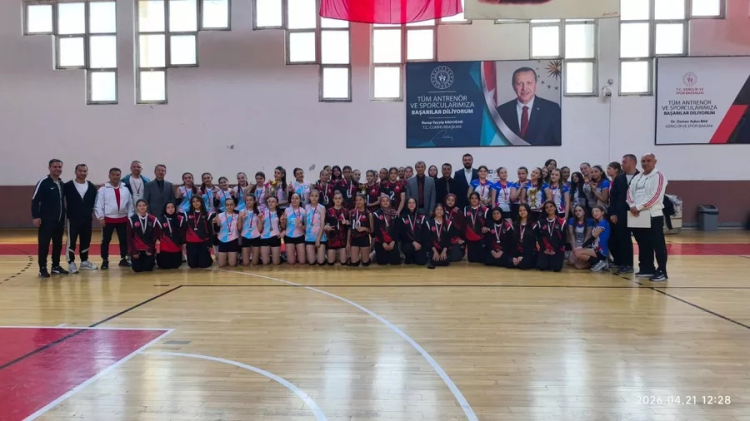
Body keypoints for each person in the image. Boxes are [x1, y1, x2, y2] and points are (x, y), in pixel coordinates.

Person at [627, 153, 669, 281]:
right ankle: (647, 268)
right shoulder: (637, 177)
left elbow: (656, 196)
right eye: (643, 161)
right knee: (643, 243)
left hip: (653, 215)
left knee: (658, 244)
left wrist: (639, 207)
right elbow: (629, 193)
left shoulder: (659, 176)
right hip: (638, 215)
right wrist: (632, 205)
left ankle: (662, 271)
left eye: (648, 160)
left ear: (655, 162)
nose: (645, 163)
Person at [496, 67, 562, 146]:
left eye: (529, 83)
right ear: (513, 86)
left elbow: (559, 145)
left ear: (535, 85)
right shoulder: (501, 112)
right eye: (519, 83)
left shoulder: (552, 110)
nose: (524, 88)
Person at [32, 159, 67, 277]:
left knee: (58, 244)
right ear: (49, 168)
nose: (57, 169)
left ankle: (55, 266)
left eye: (59, 167)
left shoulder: (61, 183)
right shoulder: (43, 182)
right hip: (46, 221)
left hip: (59, 221)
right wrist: (36, 216)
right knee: (44, 244)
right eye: (55, 167)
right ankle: (42, 268)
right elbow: (35, 200)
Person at [95, 167, 134, 270]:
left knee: (124, 240)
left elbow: (130, 204)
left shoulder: (125, 189)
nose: (115, 177)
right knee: (106, 240)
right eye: (113, 175)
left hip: (123, 219)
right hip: (108, 219)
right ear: (109, 176)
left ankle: (123, 258)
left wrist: (130, 218)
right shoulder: (103, 189)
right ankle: (105, 260)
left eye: (117, 175)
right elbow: (99, 204)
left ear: (120, 176)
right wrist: (100, 217)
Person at [63, 164, 98, 273]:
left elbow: (95, 203)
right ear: (75, 172)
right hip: (72, 219)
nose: (82, 173)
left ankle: (84, 261)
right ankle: (71, 263)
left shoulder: (92, 187)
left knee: (86, 240)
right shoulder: (68, 186)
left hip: (87, 219)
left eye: (84, 171)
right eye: (80, 171)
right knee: (71, 241)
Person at [609, 154, 639, 274]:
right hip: (621, 212)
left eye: (624, 162)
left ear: (633, 163)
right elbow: (613, 196)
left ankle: (643, 265)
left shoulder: (641, 176)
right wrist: (613, 213)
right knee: (622, 238)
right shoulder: (619, 177)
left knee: (641, 239)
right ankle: (623, 262)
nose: (622, 164)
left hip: (637, 212)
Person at [573, 205, 611, 273]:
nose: (594, 213)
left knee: (577, 252)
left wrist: (582, 246)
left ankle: (601, 262)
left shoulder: (603, 223)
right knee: (578, 266)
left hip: (600, 251)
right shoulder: (597, 223)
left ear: (602, 212)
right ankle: (599, 263)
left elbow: (593, 238)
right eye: (593, 212)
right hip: (595, 249)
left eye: (597, 211)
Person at [127, 199, 160, 273]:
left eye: (144, 205)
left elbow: (154, 237)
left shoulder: (153, 219)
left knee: (148, 268)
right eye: (139, 206)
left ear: (147, 206)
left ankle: (152, 259)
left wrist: (151, 249)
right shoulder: (131, 220)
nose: (142, 207)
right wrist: (134, 251)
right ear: (136, 207)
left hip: (148, 249)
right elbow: (129, 237)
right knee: (137, 269)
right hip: (137, 249)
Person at [183, 195, 214, 269]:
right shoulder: (187, 214)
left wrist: (210, 244)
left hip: (203, 242)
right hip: (191, 243)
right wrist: (184, 242)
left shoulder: (207, 215)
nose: (196, 203)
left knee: (204, 265)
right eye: (193, 201)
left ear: (201, 202)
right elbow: (184, 230)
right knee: (192, 265)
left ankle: (208, 258)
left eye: (197, 201)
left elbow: (210, 230)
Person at [536, 200, 566, 272]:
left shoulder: (562, 222)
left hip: (557, 250)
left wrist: (555, 250)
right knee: (541, 266)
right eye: (547, 207)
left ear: (555, 208)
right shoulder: (541, 222)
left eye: (551, 206)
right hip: (545, 250)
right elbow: (539, 238)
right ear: (545, 210)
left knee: (556, 268)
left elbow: (564, 239)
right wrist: (544, 249)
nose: (549, 208)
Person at [372, 194, 401, 265]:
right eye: (383, 201)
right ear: (380, 202)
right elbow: (376, 230)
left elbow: (397, 229)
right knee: (383, 262)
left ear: (390, 202)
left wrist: (393, 241)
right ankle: (375, 253)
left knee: (395, 262)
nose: (385, 202)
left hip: (392, 241)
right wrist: (383, 243)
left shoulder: (395, 213)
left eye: (387, 200)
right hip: (381, 241)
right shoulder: (376, 214)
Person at [424, 204, 455, 269]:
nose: (439, 211)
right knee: (434, 262)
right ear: (434, 211)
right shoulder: (429, 223)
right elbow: (428, 239)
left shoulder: (448, 223)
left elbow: (449, 239)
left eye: (441, 210)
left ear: (443, 212)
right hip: (434, 248)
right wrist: (435, 251)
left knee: (445, 262)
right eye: (437, 209)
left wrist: (444, 251)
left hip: (444, 248)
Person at [213, 196, 240, 267]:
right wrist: (215, 224)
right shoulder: (219, 215)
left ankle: (233, 257)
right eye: (227, 205)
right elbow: (216, 230)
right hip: (222, 240)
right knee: (221, 264)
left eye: (231, 204)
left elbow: (240, 228)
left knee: (232, 264)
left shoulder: (237, 216)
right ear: (225, 206)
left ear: (234, 205)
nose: (229, 206)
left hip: (233, 240)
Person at [400, 197, 428, 266]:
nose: (411, 204)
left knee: (421, 262)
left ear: (416, 204)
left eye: (413, 203)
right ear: (406, 204)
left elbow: (425, 232)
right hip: (408, 243)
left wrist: (419, 243)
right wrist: (413, 242)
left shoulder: (421, 216)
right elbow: (402, 233)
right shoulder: (402, 217)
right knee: (409, 261)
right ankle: (408, 257)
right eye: (409, 203)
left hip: (419, 243)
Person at [157, 202, 184, 269]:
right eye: (168, 207)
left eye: (172, 207)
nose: (170, 209)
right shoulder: (160, 220)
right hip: (165, 247)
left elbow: (183, 232)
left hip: (176, 246)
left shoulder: (180, 219)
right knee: (164, 266)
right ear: (165, 209)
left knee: (176, 265)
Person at [464, 192, 489, 263]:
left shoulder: (485, 210)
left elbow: (488, 222)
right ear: (469, 200)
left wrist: (486, 227)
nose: (474, 200)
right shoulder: (466, 209)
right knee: (471, 259)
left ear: (479, 200)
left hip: (480, 236)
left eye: (476, 198)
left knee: (481, 259)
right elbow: (463, 222)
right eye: (472, 198)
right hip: (470, 237)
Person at [325, 192, 349, 265]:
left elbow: (349, 228)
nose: (337, 200)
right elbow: (325, 224)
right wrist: (326, 227)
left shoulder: (346, 211)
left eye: (339, 198)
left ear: (342, 199)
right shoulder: (329, 211)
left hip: (342, 239)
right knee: (330, 262)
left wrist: (347, 222)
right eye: (335, 198)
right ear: (333, 200)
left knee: (343, 262)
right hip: (332, 239)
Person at [511, 204, 537, 270]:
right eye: (520, 210)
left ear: (528, 211)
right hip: (517, 252)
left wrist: (523, 256)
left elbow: (533, 244)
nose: (522, 212)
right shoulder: (514, 225)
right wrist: (515, 256)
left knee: (523, 265)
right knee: (510, 263)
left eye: (524, 210)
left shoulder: (533, 225)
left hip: (529, 253)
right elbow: (512, 242)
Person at [348, 194, 372, 266]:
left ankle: (372, 255)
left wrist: (364, 228)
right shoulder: (351, 213)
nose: (358, 202)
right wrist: (348, 242)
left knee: (365, 263)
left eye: (360, 200)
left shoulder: (368, 213)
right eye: (357, 200)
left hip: (364, 238)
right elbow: (349, 228)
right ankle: (355, 258)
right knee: (354, 263)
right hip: (354, 238)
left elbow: (371, 230)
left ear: (364, 201)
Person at [283, 193, 307, 265]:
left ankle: (299, 255)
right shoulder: (287, 210)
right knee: (291, 262)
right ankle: (289, 256)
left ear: (300, 200)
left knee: (302, 261)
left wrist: (301, 226)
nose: (294, 200)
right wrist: (282, 221)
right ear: (290, 200)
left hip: (300, 236)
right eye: (292, 198)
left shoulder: (303, 211)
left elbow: (306, 228)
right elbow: (284, 226)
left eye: (296, 198)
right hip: (289, 236)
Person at [567, 205, 594, 269]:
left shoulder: (589, 221)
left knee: (578, 265)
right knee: (571, 262)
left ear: (584, 212)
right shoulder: (571, 220)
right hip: (576, 245)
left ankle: (594, 263)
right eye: (576, 211)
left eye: (580, 210)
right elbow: (572, 237)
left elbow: (587, 237)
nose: (577, 212)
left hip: (585, 245)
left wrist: (582, 249)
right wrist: (574, 249)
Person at [239, 194, 262, 267]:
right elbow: (239, 228)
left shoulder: (258, 211)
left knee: (255, 263)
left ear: (254, 201)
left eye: (250, 200)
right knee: (245, 263)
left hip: (256, 237)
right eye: (247, 200)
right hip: (245, 237)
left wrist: (260, 219)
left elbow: (260, 229)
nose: (248, 202)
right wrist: (240, 218)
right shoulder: (242, 212)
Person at [305, 189, 327, 265]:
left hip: (320, 236)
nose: (314, 198)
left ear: (319, 197)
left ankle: (323, 255)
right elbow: (305, 222)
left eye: (316, 196)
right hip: (309, 236)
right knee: (311, 261)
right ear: (309, 197)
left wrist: (318, 239)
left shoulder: (322, 208)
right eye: (312, 196)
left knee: (320, 261)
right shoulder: (306, 207)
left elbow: (322, 224)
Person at [260, 196, 283, 265]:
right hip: (264, 237)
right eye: (269, 201)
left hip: (275, 237)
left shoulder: (280, 213)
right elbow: (259, 229)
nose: (270, 203)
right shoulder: (263, 213)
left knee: (275, 262)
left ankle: (280, 257)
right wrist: (261, 221)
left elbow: (284, 227)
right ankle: (268, 256)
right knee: (265, 262)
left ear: (276, 203)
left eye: (273, 202)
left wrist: (283, 232)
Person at [444, 193, 465, 262]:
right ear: (445, 200)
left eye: (452, 200)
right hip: (443, 239)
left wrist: (462, 240)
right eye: (448, 200)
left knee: (454, 258)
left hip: (454, 239)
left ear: (455, 202)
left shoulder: (459, 213)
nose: (450, 202)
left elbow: (463, 228)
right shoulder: (441, 211)